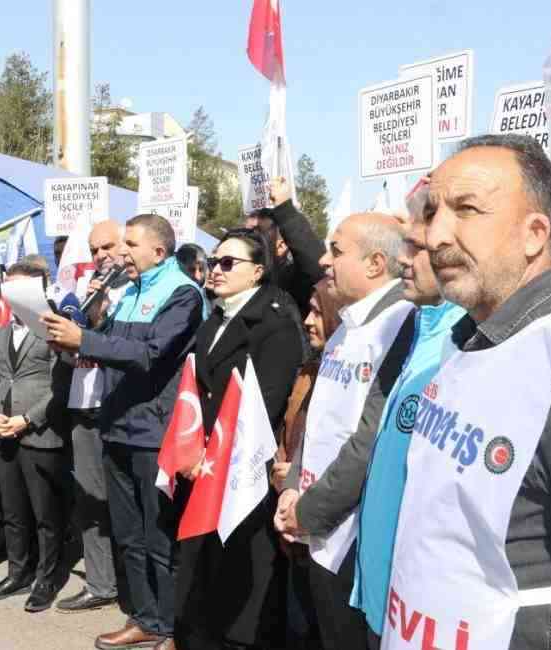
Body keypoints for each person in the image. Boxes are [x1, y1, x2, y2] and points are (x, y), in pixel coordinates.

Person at [385, 134, 551, 648]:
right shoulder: (466, 340)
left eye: (467, 209)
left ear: (534, 233)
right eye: (432, 212)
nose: (436, 236)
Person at [43, 214, 206, 650]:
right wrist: (73, 336)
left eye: (130, 245)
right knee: (130, 535)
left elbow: (150, 355)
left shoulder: (183, 294)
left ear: (158, 251)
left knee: (158, 536)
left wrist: (87, 342)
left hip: (155, 432)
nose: (121, 253)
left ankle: (173, 627)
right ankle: (145, 618)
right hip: (117, 426)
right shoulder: (129, 290)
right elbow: (107, 345)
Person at [274, 212, 412, 650]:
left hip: (351, 535)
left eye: (336, 250)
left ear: (375, 263)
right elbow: (317, 425)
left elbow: (368, 440)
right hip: (314, 523)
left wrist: (310, 510)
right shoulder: (346, 328)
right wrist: (293, 488)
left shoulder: (402, 325)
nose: (324, 260)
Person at [345, 183, 468, 648]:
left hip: (427, 614)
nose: (404, 260)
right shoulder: (419, 326)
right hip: (385, 598)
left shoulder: (469, 343)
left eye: (416, 246)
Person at [174, 228, 304, 649]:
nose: (216, 270)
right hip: (203, 465)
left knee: (240, 576)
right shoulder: (213, 319)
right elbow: (197, 391)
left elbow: (261, 407)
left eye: (228, 263)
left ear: (258, 271)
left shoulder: (275, 325)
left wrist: (212, 452)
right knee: (202, 568)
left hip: (241, 469)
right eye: (214, 261)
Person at [0, 261, 69, 612]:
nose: (13, 293)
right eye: (9, 286)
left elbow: (60, 385)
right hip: (4, 434)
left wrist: (27, 419)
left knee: (45, 513)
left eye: (22, 287)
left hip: (40, 434)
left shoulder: (53, 327)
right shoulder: (1, 332)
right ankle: (18, 572)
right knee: (13, 510)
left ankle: (46, 578)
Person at [54, 219, 127, 614]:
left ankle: (134, 587)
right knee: (90, 501)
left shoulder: (133, 291)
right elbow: (72, 352)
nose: (101, 256)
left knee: (124, 502)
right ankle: (101, 582)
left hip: (118, 408)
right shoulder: (84, 291)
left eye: (108, 247)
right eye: (95, 250)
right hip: (82, 404)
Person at [273, 278, 342, 649]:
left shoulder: (352, 376)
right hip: (292, 521)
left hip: (324, 532)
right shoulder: (308, 371)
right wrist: (285, 472)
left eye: (318, 312)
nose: (308, 321)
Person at [246, 176, 327, 318]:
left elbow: (316, 266)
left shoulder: (290, 282)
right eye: (245, 233)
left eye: (256, 234)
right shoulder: (236, 274)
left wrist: (285, 210)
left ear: (281, 246)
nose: (245, 240)